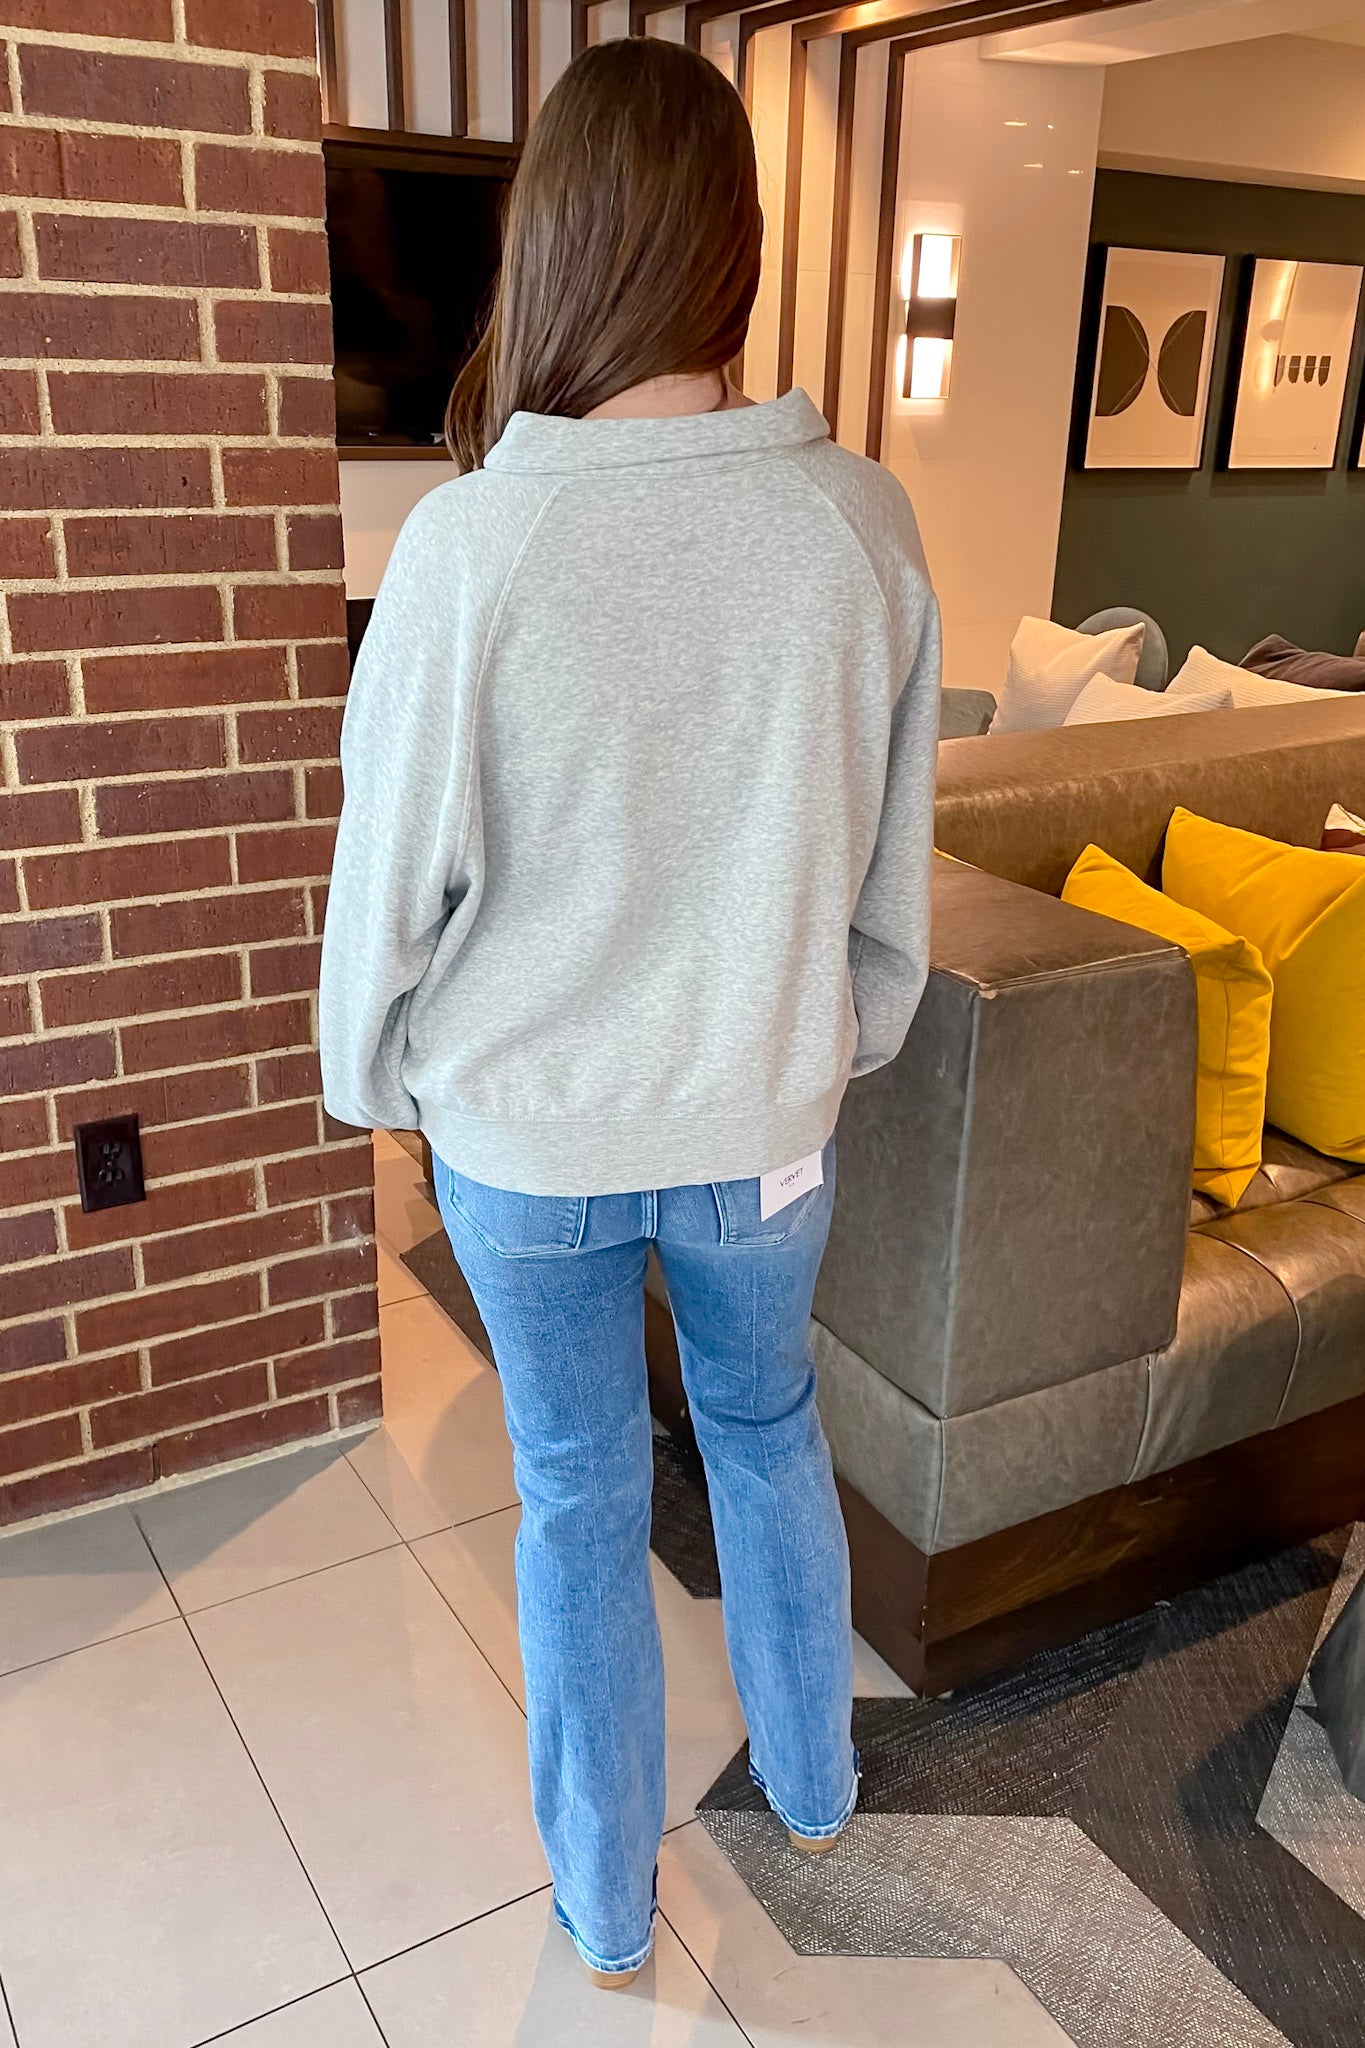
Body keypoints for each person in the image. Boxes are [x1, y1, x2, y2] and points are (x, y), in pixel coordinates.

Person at [320, 34, 941, 1991]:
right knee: (765, 1431)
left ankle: (604, 1909)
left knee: (579, 1501)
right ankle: (816, 1787)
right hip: (762, 1128)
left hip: (524, 1141)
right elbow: (887, 872)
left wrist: (375, 1077)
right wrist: (828, 1042)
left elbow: (386, 880)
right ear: (734, 245)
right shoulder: (861, 524)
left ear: (556, 237)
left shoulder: (469, 547)